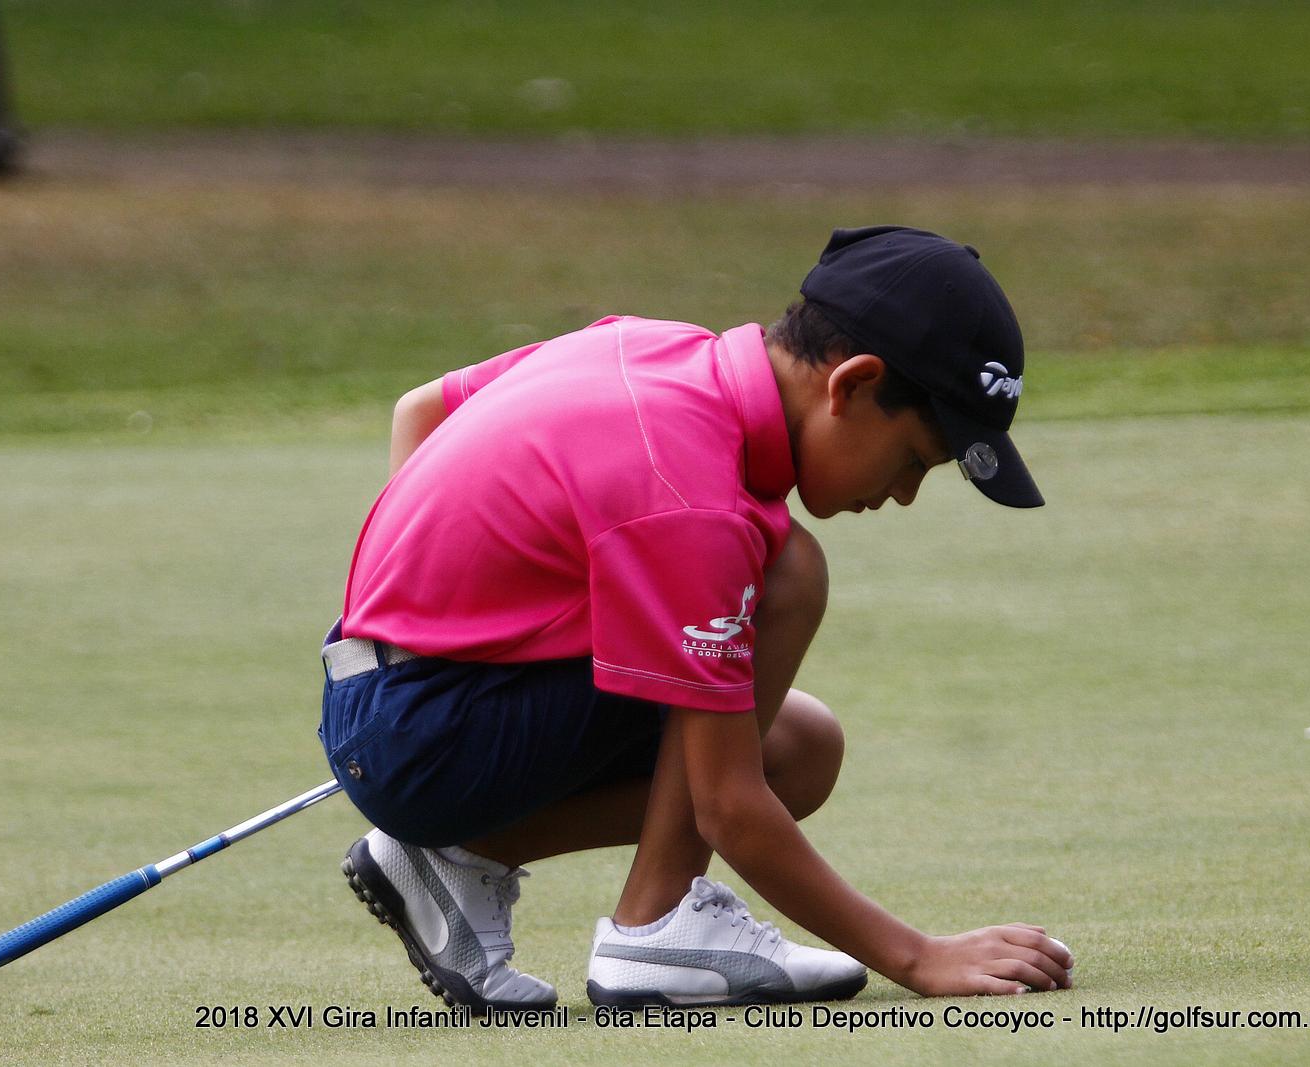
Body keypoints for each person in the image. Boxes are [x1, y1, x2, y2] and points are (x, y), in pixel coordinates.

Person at [320, 225, 1072, 1010]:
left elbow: (422, 411)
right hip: (424, 727)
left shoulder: (651, 345)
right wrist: (918, 958)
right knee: (790, 574)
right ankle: (656, 928)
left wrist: (440, 623)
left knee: (800, 749)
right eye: (915, 458)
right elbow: (726, 805)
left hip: (395, 699)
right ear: (852, 385)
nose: (906, 493)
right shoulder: (694, 501)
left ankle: (454, 856)